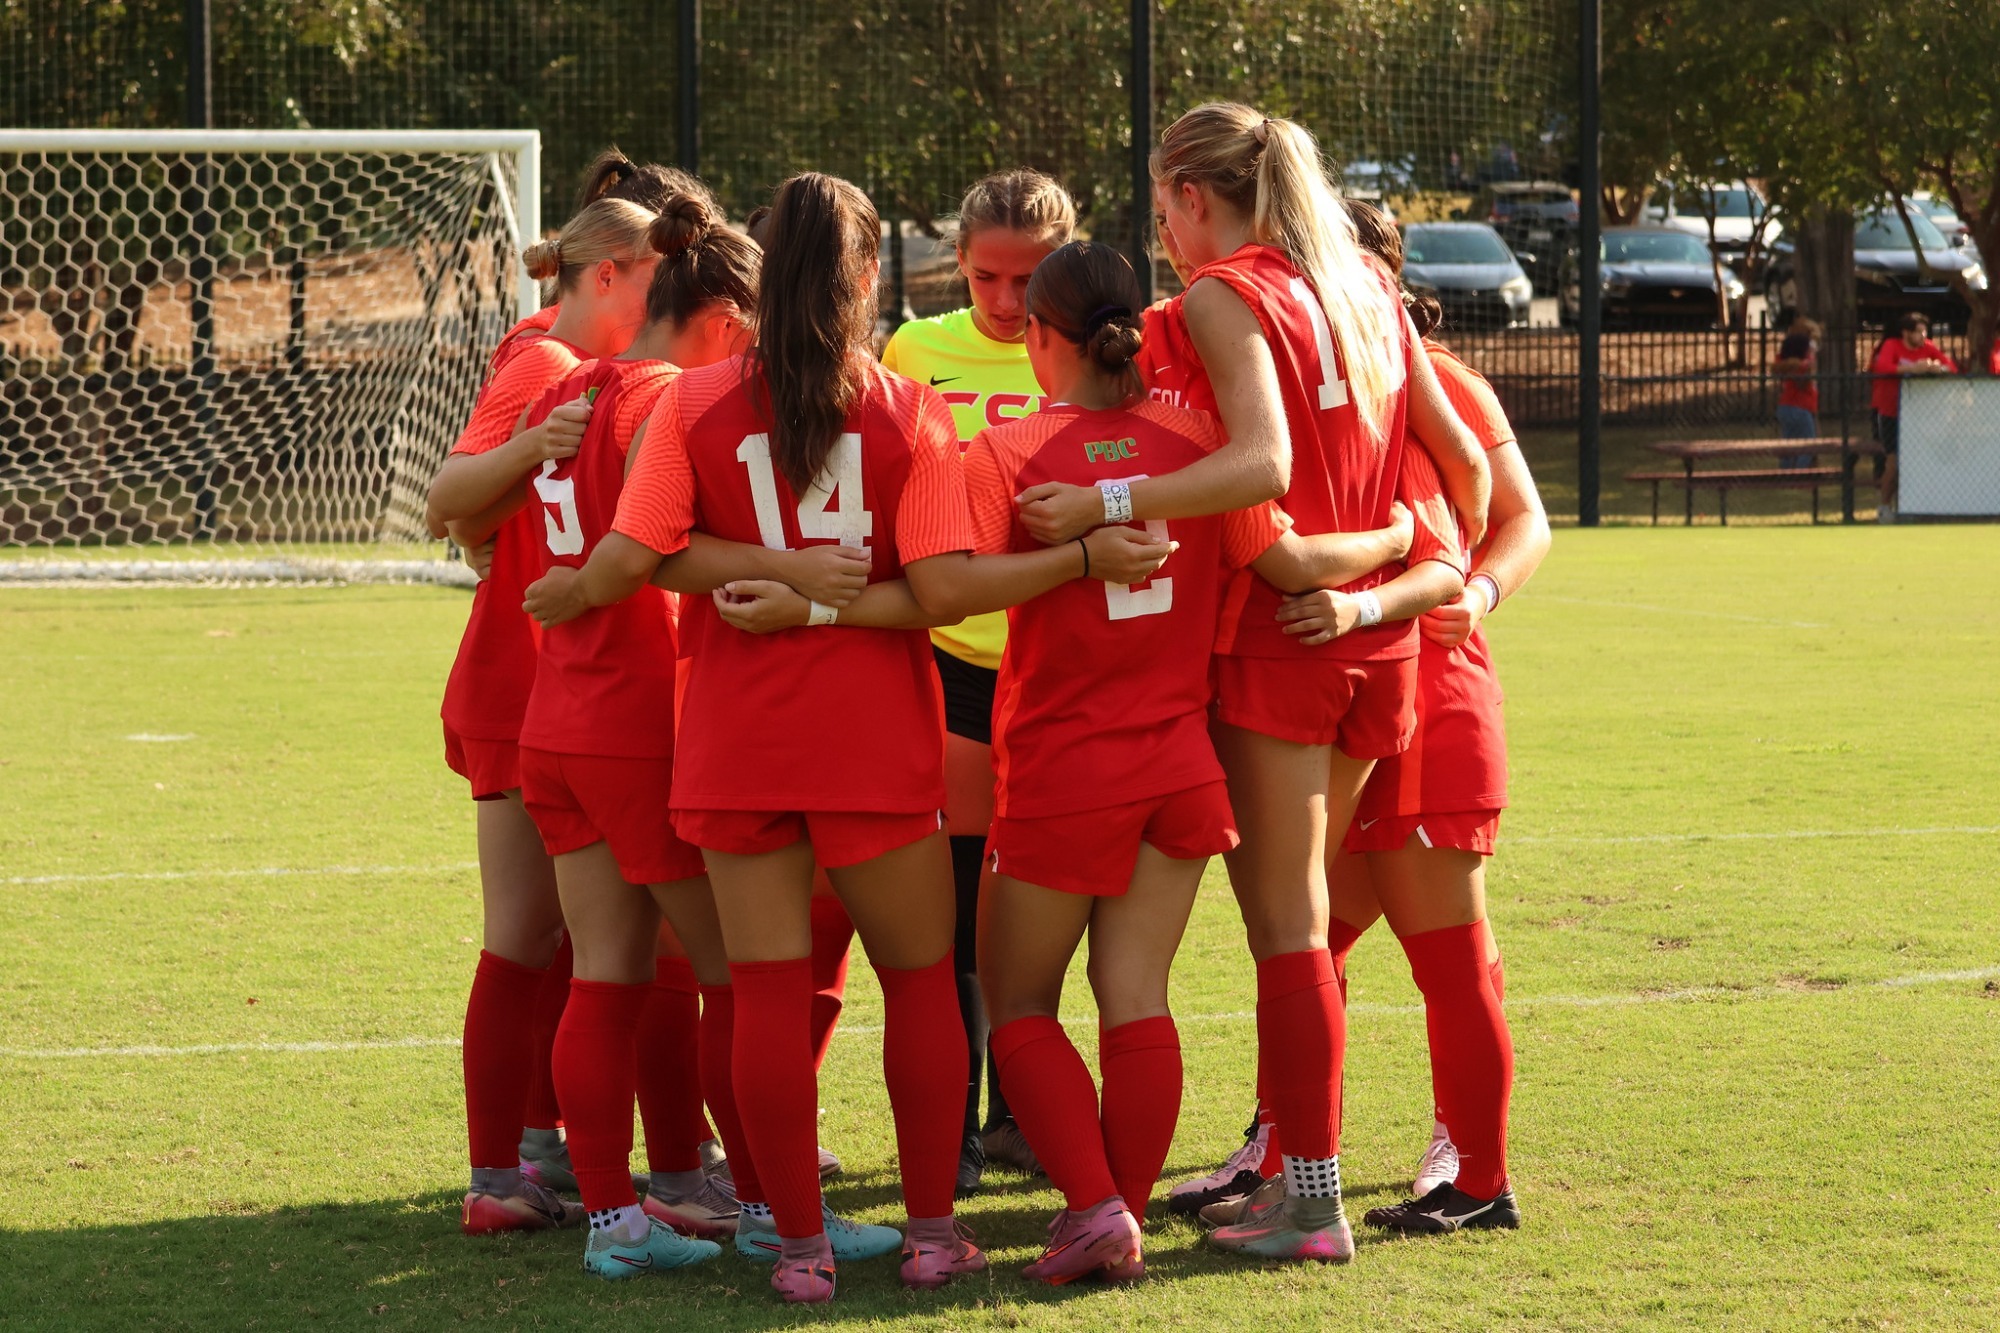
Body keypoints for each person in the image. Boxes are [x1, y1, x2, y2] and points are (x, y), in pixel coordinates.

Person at [966, 242, 1452, 1283]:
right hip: (1179, 764)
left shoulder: (1012, 448)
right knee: (1135, 994)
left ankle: (1097, 1209)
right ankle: (1122, 1211)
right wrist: (1393, 535)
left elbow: (947, 589)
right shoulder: (1199, 443)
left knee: (1017, 1005)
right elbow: (1279, 554)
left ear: (1041, 339)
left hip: (1061, 764)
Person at [511, 197, 762, 1278]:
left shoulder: (572, 378)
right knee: (733, 972)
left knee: (605, 971)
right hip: (636, 724)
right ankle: (767, 1204)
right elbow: (664, 545)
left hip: (557, 720)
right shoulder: (669, 394)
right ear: (719, 316)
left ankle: (616, 1220)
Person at [424, 196, 660, 1237]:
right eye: (656, 272)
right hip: (528, 682)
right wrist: (533, 450)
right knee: (538, 935)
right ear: (607, 273)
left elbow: (476, 522)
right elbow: (448, 497)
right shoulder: (543, 363)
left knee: (563, 936)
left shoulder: (596, 373)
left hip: (551, 682)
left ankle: (530, 1150)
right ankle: (511, 1161)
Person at [879, 169, 1078, 1193]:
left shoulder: (1091, 352)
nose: (1007, 302)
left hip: (1061, 672)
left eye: (1030, 278)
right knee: (954, 911)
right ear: (958, 263)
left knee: (1041, 908)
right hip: (954, 663)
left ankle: (1021, 1117)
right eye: (989, 277)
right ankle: (952, 1132)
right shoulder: (912, 352)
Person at [1869, 312, 1957, 521]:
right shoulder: (1892, 344)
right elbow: (1882, 366)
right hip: (1891, 412)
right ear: (1906, 333)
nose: (1923, 335)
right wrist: (1911, 368)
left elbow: (1951, 367)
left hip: (1918, 414)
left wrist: (1936, 368)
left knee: (1920, 460)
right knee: (1894, 462)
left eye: (1924, 331)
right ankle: (1884, 507)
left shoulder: (1927, 347)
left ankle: (1918, 507)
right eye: (1918, 331)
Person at [1773, 316, 1821, 469]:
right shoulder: (1800, 365)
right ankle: (1800, 472)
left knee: (1789, 443)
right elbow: (1803, 382)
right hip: (1799, 407)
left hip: (1787, 407)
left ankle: (1785, 473)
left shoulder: (1788, 361)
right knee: (1808, 444)